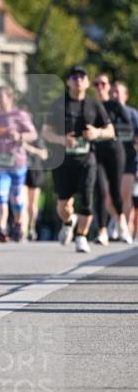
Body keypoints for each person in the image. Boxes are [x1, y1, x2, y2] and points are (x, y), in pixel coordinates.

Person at [42, 65, 114, 253]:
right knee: (63, 205)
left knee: (87, 200)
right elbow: (46, 133)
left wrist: (97, 132)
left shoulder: (94, 106)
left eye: (82, 77)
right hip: (63, 160)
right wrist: (62, 140)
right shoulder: (58, 104)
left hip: (86, 159)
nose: (78, 80)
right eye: (74, 77)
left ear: (87, 82)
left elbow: (110, 131)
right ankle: (68, 222)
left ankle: (81, 236)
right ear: (68, 82)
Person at [0, 85, 37, 243]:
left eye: (0, 96)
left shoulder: (20, 115)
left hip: (17, 163)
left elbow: (33, 134)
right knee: (0, 195)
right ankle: (1, 228)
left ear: (10, 98)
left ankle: (18, 224)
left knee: (16, 198)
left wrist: (20, 136)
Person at [91, 72, 132, 245]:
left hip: (115, 151)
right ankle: (102, 231)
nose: (100, 87)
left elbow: (128, 127)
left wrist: (111, 131)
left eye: (103, 84)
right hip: (96, 153)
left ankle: (121, 221)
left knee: (115, 192)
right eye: (97, 84)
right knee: (100, 191)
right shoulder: (89, 105)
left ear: (109, 87)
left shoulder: (115, 105)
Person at [111, 80, 138, 239]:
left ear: (125, 96)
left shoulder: (133, 114)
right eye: (112, 92)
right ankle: (117, 220)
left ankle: (125, 229)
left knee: (126, 195)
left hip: (129, 159)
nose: (114, 95)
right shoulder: (106, 111)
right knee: (108, 196)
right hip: (110, 160)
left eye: (118, 92)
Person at [24, 135, 49, 241]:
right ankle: (23, 229)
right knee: (23, 203)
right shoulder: (15, 138)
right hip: (21, 172)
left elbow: (44, 155)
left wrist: (29, 148)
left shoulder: (37, 139)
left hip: (35, 172)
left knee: (32, 204)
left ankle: (31, 226)